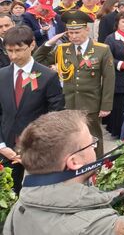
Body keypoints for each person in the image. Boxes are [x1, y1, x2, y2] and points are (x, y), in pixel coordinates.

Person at [4, 110, 124, 234]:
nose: (95, 148)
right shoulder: (93, 226)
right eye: (91, 143)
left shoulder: (23, 202)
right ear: (74, 162)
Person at [33, 10, 115, 156]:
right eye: (70, 33)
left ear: (87, 30)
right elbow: (38, 60)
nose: (74, 36)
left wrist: (106, 105)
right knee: (71, 139)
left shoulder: (101, 50)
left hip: (90, 103)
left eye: (77, 32)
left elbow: (109, 78)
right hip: (68, 103)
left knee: (94, 138)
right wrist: (49, 43)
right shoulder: (62, 50)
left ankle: (97, 167)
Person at [0, 26, 64, 193]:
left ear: (32, 45)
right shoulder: (2, 75)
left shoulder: (47, 76)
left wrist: (36, 148)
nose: (14, 56)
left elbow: (55, 115)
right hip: (6, 148)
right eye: (9, 51)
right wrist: (2, 146)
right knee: (8, 195)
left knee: (39, 194)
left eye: (19, 50)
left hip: (36, 149)